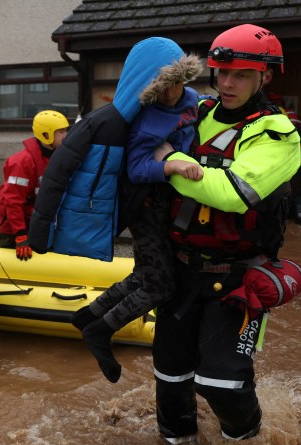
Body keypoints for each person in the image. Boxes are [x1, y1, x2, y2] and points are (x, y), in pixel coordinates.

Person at [151, 23, 301, 444]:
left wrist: (170, 160)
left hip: (236, 279)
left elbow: (233, 194)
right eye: (220, 73)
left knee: (221, 383)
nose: (227, 83)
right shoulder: (195, 114)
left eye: (240, 75)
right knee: (170, 376)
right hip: (180, 272)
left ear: (264, 76)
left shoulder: (277, 133)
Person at [70, 53, 204, 383]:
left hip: (169, 204)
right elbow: (136, 168)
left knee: (144, 273)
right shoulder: (145, 120)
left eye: (174, 85)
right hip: (145, 206)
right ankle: (101, 331)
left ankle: (89, 314)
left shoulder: (193, 100)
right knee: (160, 285)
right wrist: (170, 164)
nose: (169, 94)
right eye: (160, 89)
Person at [28, 36, 192, 263]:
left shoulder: (190, 110)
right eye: (163, 85)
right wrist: (39, 231)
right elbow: (57, 174)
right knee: (153, 281)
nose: (172, 93)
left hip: (170, 213)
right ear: (145, 82)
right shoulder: (104, 124)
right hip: (117, 216)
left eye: (178, 82)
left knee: (156, 279)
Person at [0, 110, 69, 261]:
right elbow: (13, 201)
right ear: (46, 135)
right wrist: (21, 235)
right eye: (60, 132)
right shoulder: (22, 162)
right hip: (15, 230)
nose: (65, 135)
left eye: (65, 130)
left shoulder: (57, 157)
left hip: (38, 225)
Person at [266, 92, 301, 225]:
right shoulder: (295, 117)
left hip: (286, 161)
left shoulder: (271, 115)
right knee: (300, 193)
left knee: (278, 191)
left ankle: (282, 216)